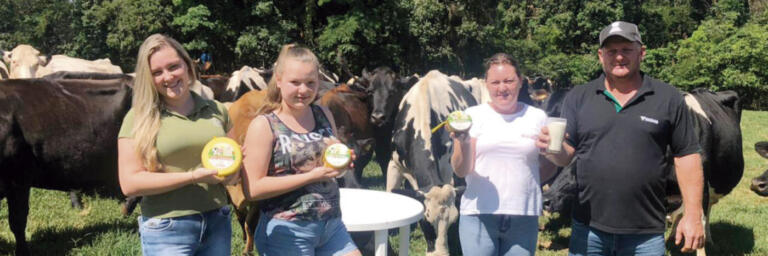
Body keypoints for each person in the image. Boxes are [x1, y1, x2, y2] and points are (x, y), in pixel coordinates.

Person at [537, 21, 705, 255]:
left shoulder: (667, 97)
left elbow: (687, 156)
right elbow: (566, 156)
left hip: (646, 233)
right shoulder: (579, 97)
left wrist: (693, 214)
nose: (618, 57)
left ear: (641, 52)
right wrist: (552, 150)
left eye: (626, 49)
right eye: (611, 51)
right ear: (600, 55)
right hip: (589, 229)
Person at [117, 34, 237, 255]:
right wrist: (193, 176)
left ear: (188, 66)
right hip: (166, 226)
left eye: (174, 66)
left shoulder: (217, 110)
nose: (168, 77)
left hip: (217, 220)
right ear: (148, 77)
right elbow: (129, 183)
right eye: (157, 72)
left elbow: (233, 170)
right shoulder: (138, 118)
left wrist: (233, 173)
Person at [241, 44, 361, 256]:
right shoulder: (265, 125)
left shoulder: (323, 114)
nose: (303, 90)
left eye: (310, 83)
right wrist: (311, 176)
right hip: (287, 231)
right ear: (278, 80)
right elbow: (253, 189)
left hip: (331, 226)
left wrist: (341, 162)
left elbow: (331, 165)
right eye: (295, 82)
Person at [450, 53, 556, 256]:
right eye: (495, 82)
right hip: (478, 215)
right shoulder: (472, 116)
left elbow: (549, 166)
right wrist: (462, 143)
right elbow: (462, 170)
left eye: (508, 81)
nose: (502, 88)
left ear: (521, 82)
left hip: (523, 215)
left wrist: (525, 183)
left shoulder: (537, 117)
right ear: (486, 84)